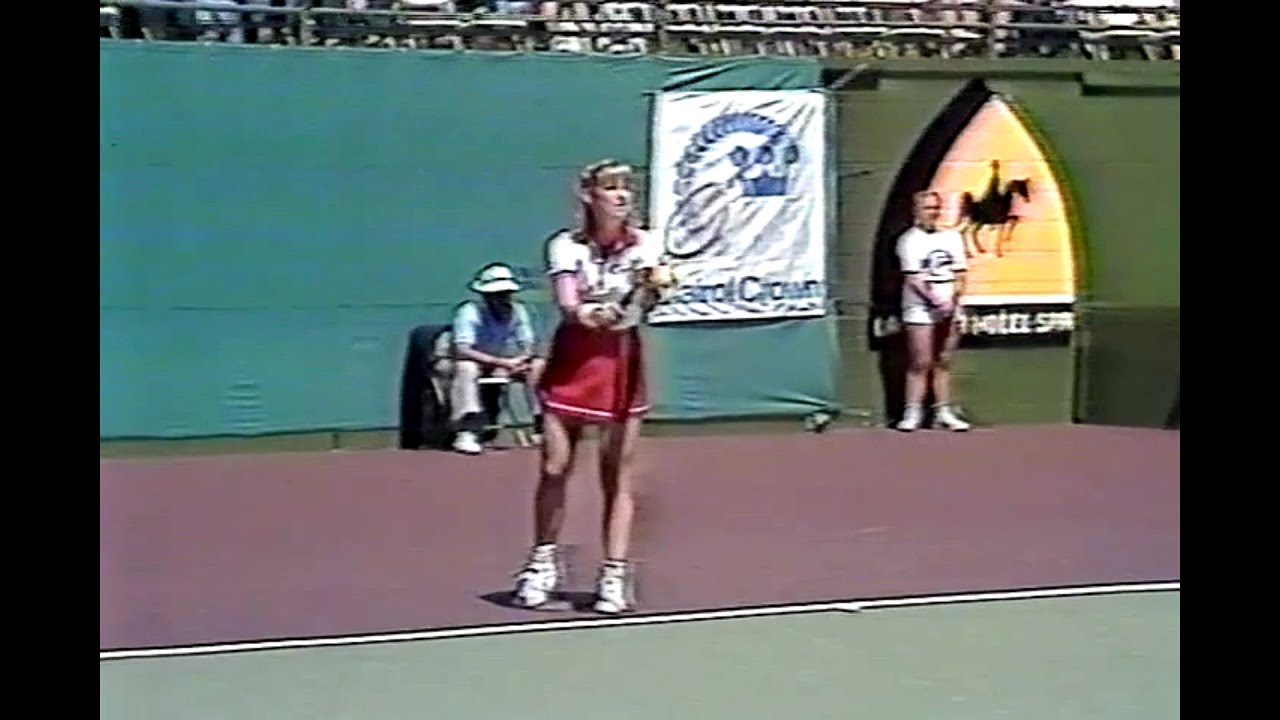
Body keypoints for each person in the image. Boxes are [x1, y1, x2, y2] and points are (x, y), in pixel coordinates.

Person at [508, 159, 673, 615]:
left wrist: (651, 291)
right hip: (573, 363)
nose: (622, 197)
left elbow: (650, 298)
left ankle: (613, 575)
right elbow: (569, 305)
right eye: (611, 188)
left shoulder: (647, 245)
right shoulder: (565, 246)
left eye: (627, 189)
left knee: (616, 474)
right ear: (588, 196)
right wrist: (593, 314)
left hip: (622, 366)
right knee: (555, 467)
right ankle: (542, 563)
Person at [432, 262, 545, 455]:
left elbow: (528, 344)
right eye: (497, 294)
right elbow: (463, 350)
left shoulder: (519, 310)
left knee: (537, 365)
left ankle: (541, 426)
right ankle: (467, 430)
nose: (503, 298)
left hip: (496, 360)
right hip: (454, 361)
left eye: (506, 293)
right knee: (467, 368)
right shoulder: (468, 311)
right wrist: (502, 363)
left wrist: (522, 360)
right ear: (486, 296)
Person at [894, 190, 972, 432]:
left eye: (936, 208)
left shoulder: (952, 238)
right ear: (916, 211)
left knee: (943, 361)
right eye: (928, 208)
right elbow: (913, 279)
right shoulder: (909, 240)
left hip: (950, 306)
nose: (933, 213)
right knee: (921, 362)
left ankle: (943, 412)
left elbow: (960, 274)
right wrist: (935, 300)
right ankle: (912, 413)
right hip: (920, 307)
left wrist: (952, 299)